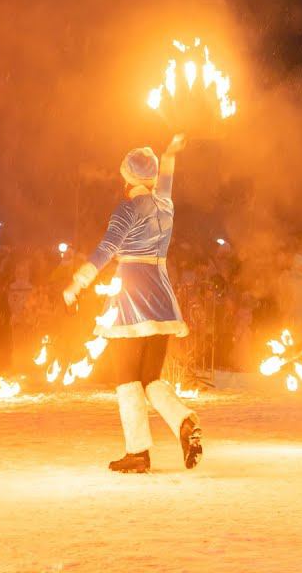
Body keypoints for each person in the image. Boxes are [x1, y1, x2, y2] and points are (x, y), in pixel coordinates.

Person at [62, 134, 202, 474]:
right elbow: (166, 182)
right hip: (162, 297)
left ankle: (138, 452)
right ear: (151, 178)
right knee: (150, 377)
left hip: (131, 299)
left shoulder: (127, 208)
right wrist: (169, 154)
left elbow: (106, 249)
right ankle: (183, 421)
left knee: (127, 377)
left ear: (126, 178)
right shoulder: (164, 205)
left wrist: (77, 283)